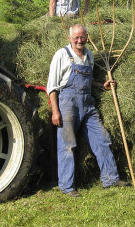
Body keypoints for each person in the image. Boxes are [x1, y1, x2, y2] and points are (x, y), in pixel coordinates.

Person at [47, 24, 129, 197]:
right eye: (76, 37)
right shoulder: (62, 54)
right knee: (67, 145)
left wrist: (102, 85)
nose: (79, 40)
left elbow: (88, 80)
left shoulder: (89, 55)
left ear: (87, 37)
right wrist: (55, 111)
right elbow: (52, 87)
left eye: (82, 37)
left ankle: (111, 178)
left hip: (88, 103)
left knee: (102, 138)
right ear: (69, 38)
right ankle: (67, 187)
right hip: (68, 104)